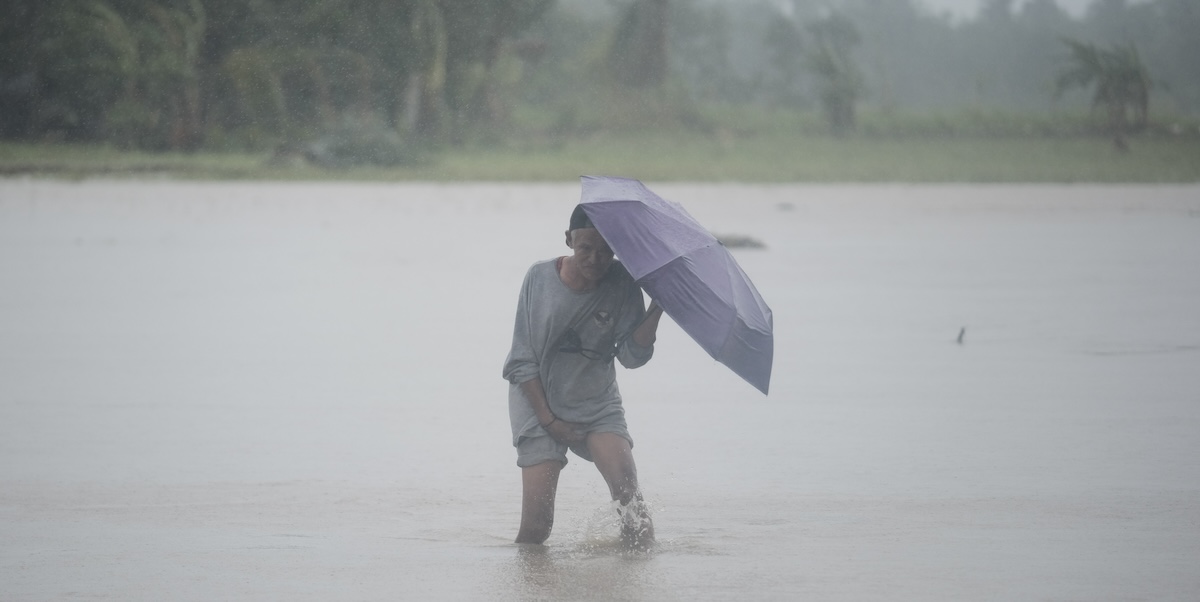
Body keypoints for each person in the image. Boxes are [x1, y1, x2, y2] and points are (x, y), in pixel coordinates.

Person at [503, 204, 664, 548]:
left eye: (606, 251)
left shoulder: (623, 283)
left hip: (596, 402)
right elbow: (520, 361)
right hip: (537, 400)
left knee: (634, 512)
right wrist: (549, 421)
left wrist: (658, 308)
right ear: (568, 240)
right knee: (537, 528)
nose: (595, 259)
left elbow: (631, 358)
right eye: (585, 248)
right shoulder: (539, 278)